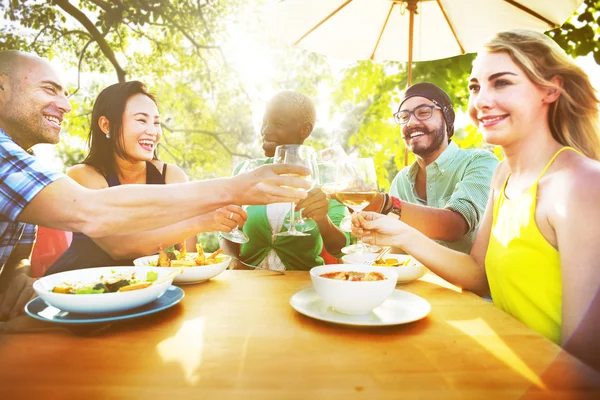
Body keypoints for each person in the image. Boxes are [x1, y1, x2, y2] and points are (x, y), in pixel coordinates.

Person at [352, 30, 600, 371]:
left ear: (550, 90)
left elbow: (585, 364)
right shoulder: (503, 176)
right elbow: (478, 273)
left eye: (501, 83)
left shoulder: (582, 185)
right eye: (475, 87)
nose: (481, 100)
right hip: (503, 359)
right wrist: (397, 233)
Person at [0, 51, 310, 320]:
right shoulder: (79, 174)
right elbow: (111, 234)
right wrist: (228, 193)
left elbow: (19, 251)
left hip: (150, 301)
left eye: (157, 122)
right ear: (106, 125)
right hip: (81, 306)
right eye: (50, 90)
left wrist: (17, 274)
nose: (66, 105)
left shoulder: (23, 164)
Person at [45, 81, 246, 275]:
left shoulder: (172, 176)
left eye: (156, 123)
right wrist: (203, 221)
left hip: (149, 293)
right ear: (107, 125)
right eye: (141, 120)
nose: (153, 132)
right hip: (80, 291)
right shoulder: (83, 175)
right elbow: (119, 248)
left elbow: (187, 258)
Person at [220, 91, 349, 271]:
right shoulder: (247, 172)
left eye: (277, 124)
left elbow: (340, 248)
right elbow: (226, 231)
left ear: (305, 130)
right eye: (264, 122)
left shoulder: (325, 177)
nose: (265, 131)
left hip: (301, 287)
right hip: (248, 285)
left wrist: (322, 219)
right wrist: (233, 260)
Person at [365, 82, 498, 254]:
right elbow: (396, 250)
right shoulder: (402, 180)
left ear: (447, 118)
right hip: (417, 281)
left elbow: (455, 226)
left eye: (424, 112)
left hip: (470, 280)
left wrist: (384, 205)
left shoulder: (480, 162)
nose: (411, 122)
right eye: (404, 117)